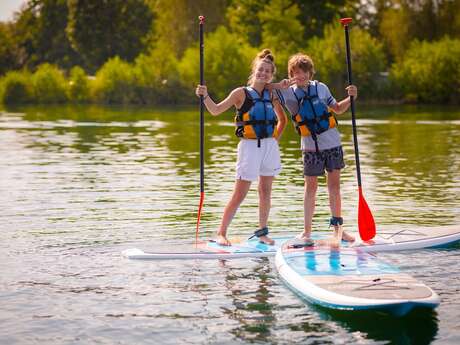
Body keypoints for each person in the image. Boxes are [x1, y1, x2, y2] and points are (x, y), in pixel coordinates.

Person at [195, 49, 287, 246]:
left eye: (268, 72)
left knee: (265, 191)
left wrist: (274, 140)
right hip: (249, 147)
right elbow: (216, 110)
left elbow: (283, 120)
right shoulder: (240, 93)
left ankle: (262, 232)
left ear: (271, 75)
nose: (263, 74)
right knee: (240, 192)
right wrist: (205, 96)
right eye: (260, 70)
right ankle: (221, 232)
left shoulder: (272, 94)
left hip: (269, 147)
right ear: (254, 70)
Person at [274, 53, 357, 243]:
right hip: (310, 148)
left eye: (304, 72)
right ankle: (307, 231)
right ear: (291, 74)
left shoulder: (321, 87)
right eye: (295, 73)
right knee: (310, 188)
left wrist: (351, 98)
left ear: (310, 72)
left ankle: (339, 230)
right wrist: (281, 84)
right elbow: (266, 88)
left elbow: (337, 108)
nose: (300, 76)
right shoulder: (287, 91)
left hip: (332, 144)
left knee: (334, 188)